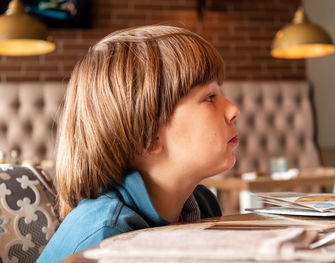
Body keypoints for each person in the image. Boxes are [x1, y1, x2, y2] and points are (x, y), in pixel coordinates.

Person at [37, 24, 239, 262]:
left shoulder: (202, 206)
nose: (233, 110)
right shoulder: (107, 238)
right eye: (209, 97)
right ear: (148, 136)